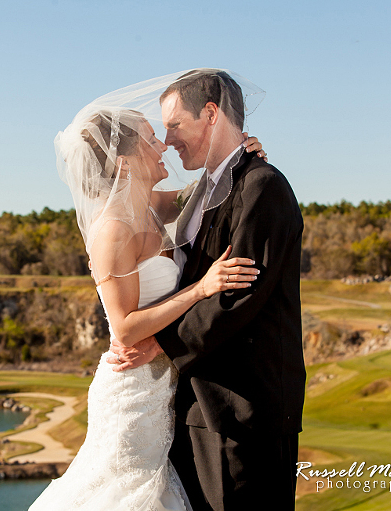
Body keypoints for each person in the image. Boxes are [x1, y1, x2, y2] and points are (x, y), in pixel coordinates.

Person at [29, 89, 263, 510]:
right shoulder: (113, 230)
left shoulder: (153, 206)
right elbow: (124, 327)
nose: (164, 146)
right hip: (134, 389)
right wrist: (201, 288)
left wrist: (242, 156)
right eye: (151, 139)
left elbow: (210, 190)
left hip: (166, 380)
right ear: (123, 160)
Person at [109, 69, 306, 510]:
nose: (168, 139)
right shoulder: (202, 192)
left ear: (211, 113)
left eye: (175, 125)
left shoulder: (263, 186)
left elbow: (238, 297)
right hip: (193, 407)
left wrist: (159, 343)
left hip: (242, 411)